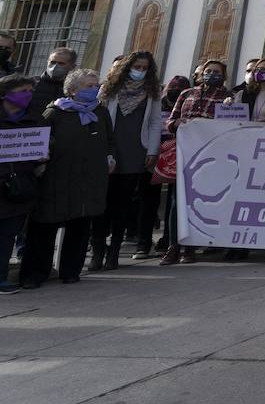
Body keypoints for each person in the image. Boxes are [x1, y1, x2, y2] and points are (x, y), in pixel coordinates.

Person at [18, 69, 113, 287]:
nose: (94, 89)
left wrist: (110, 156)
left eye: (95, 85)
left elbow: (110, 140)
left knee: (79, 226)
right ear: (73, 90)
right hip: (57, 178)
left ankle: (71, 271)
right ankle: (35, 274)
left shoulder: (100, 113)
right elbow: (41, 141)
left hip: (88, 179)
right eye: (88, 86)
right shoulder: (56, 112)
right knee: (45, 226)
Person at [89, 52, 161, 272]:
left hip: (135, 150)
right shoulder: (108, 89)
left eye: (144, 67)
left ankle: (114, 252)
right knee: (102, 202)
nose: (140, 70)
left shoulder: (152, 92)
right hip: (109, 148)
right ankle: (98, 249)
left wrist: (152, 150)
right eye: (136, 66)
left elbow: (156, 122)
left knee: (123, 203)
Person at [160, 60, 229, 265]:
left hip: (209, 156)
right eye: (208, 71)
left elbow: (231, 124)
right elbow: (170, 121)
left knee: (199, 201)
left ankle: (190, 248)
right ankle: (174, 246)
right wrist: (176, 123)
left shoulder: (227, 97)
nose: (211, 75)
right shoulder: (186, 94)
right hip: (184, 152)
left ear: (223, 76)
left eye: (216, 72)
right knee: (176, 202)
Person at [140, 74, 190, 259]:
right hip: (154, 154)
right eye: (172, 88)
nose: (174, 92)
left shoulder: (186, 103)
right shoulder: (157, 104)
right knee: (148, 199)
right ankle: (144, 241)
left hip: (178, 156)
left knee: (174, 201)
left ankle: (169, 240)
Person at [0, 74, 41, 294]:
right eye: (23, 91)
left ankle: (1, 276)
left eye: (30, 91)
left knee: (7, 235)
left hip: (20, 183)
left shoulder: (34, 119)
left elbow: (41, 145)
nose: (28, 95)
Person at [225, 57, 265, 122]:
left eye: (262, 69)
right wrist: (228, 105)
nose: (258, 72)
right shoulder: (243, 93)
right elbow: (234, 115)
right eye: (257, 70)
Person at [27, 47, 75, 121]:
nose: (55, 67)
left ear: (72, 66)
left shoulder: (74, 89)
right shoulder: (31, 84)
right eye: (52, 62)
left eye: (61, 63)